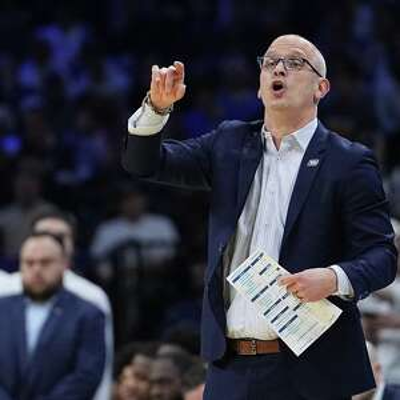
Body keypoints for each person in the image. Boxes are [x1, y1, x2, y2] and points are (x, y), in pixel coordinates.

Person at [122, 34, 397, 399]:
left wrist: (333, 278)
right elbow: (143, 164)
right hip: (230, 368)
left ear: (321, 88)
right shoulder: (229, 143)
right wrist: (156, 109)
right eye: (269, 62)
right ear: (259, 85)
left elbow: (382, 256)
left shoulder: (348, 162)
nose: (278, 68)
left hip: (311, 371)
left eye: (295, 62)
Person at [0, 209, 114, 400]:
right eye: (29, 263)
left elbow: (87, 375)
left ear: (64, 264)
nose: (37, 270)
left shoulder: (88, 310)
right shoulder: (2, 306)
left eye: (45, 263)